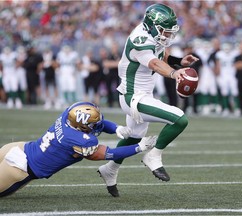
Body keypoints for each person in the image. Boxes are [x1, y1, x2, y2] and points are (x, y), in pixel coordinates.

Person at [98, 3, 198, 197]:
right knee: (179, 119)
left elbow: (160, 53)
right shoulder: (140, 39)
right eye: (164, 31)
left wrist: (178, 61)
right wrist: (174, 73)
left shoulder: (152, 35)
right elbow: (153, 62)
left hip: (141, 95)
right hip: (133, 98)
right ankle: (154, 155)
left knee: (133, 137)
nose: (168, 36)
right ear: (152, 25)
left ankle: (110, 169)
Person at [0, 101, 157, 197]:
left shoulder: (68, 115)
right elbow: (106, 154)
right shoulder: (79, 140)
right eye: (93, 126)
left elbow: (97, 122)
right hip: (19, 167)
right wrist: (138, 147)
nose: (98, 126)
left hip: (18, 147)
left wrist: (116, 128)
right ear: (81, 126)